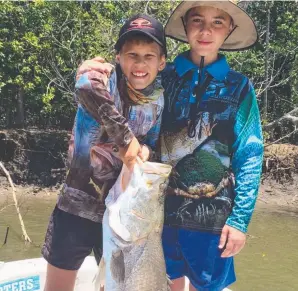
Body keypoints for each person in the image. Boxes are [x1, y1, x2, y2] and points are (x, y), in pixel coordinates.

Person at [77, 1, 264, 290]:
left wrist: (239, 222)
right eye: (198, 20)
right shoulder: (164, 74)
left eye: (217, 22)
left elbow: (250, 155)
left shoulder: (239, 87)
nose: (205, 30)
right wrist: (95, 68)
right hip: (159, 213)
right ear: (186, 25)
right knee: (165, 282)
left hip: (213, 218)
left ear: (230, 29)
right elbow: (127, 78)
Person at [42, 13, 166, 291]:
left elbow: (153, 146)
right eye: (131, 54)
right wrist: (127, 143)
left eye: (149, 56)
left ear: (161, 63)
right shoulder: (106, 79)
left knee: (114, 284)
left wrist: (143, 149)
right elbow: (86, 83)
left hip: (120, 217)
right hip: (75, 206)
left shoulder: (159, 100)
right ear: (118, 57)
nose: (140, 63)